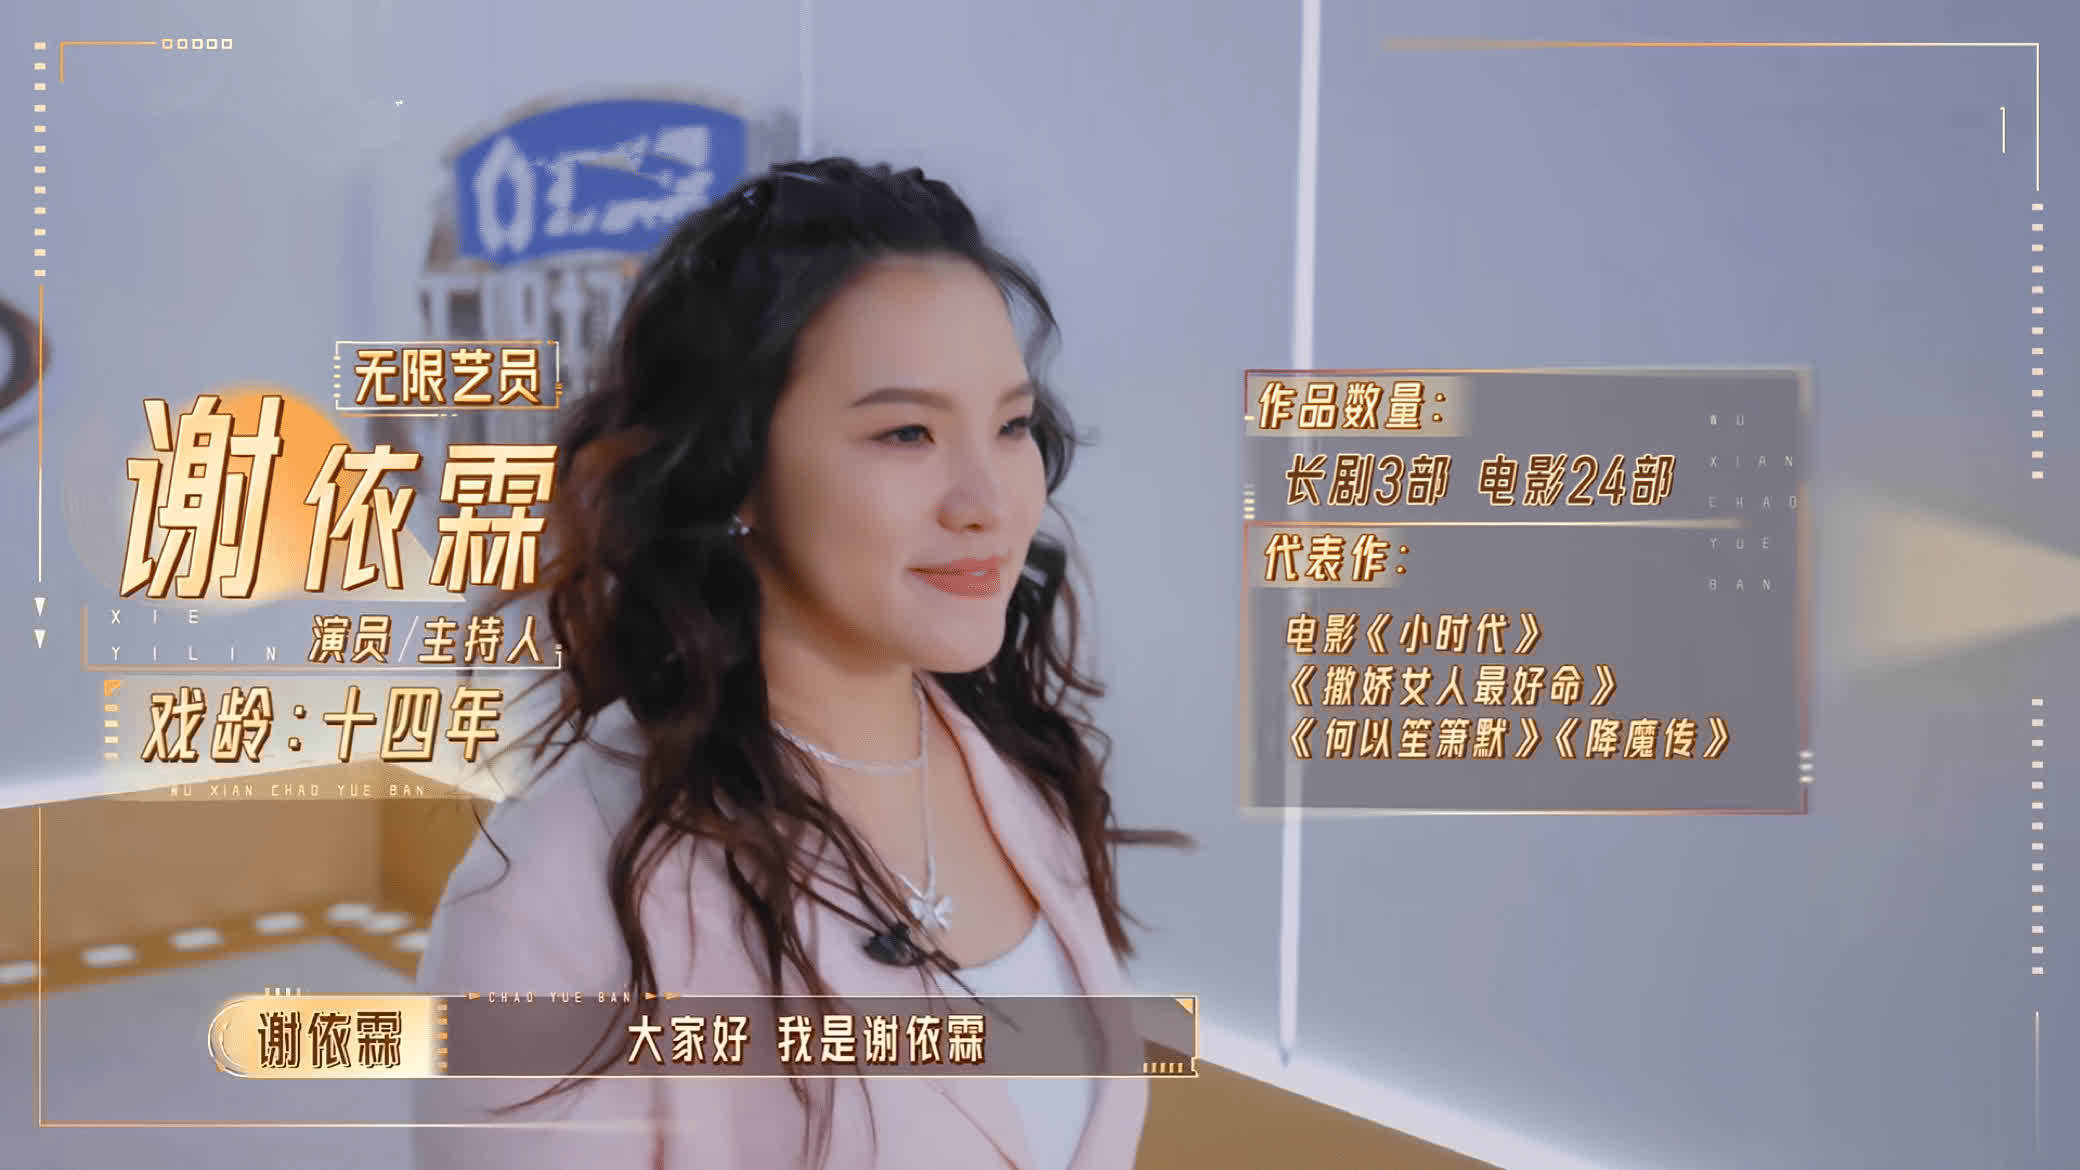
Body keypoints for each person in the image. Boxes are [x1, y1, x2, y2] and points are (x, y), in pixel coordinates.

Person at [412, 158, 1186, 1170]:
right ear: (735, 469)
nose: (989, 501)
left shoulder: (1024, 773)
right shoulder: (557, 896)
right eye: (906, 433)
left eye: (1010, 426)